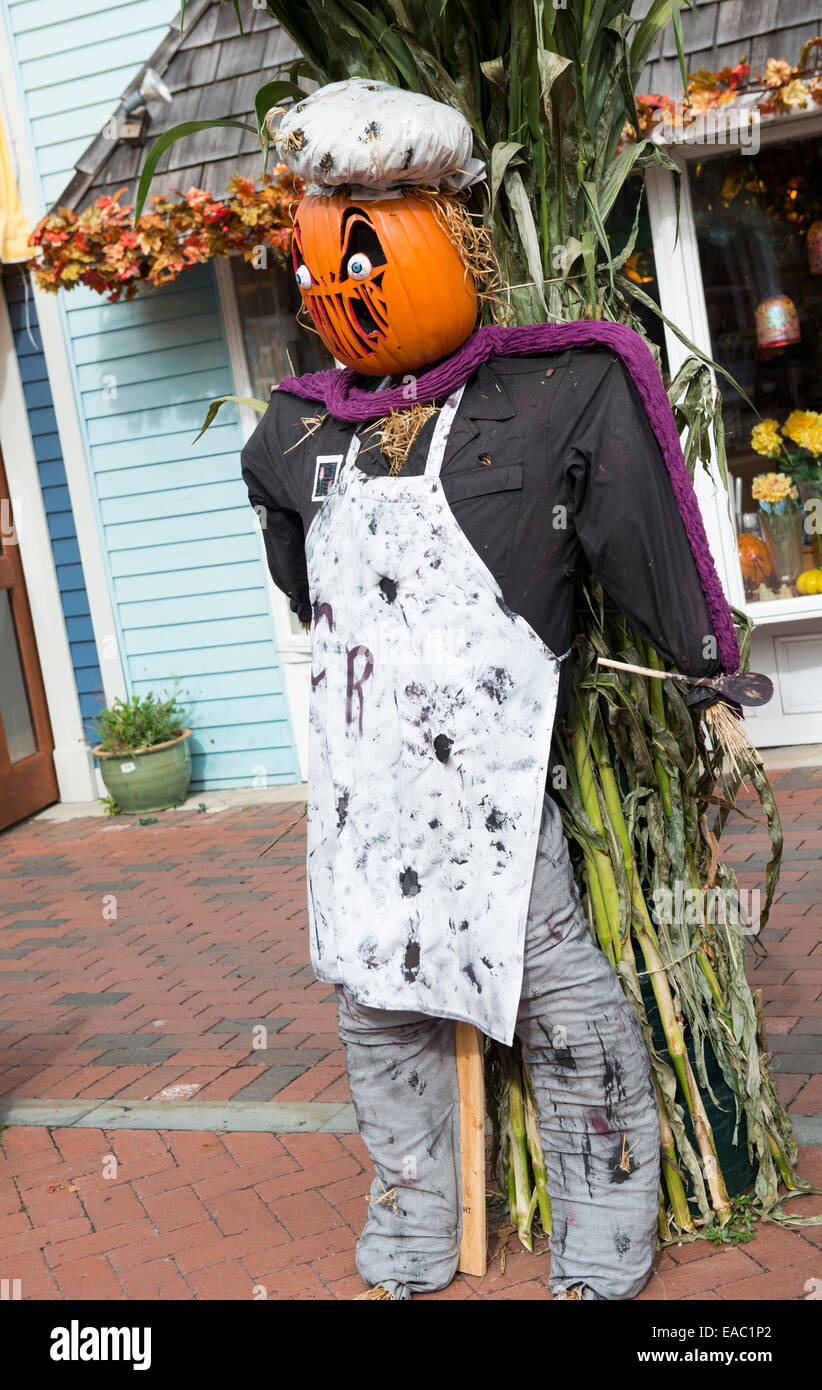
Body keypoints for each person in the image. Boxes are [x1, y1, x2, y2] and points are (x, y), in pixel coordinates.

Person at [241, 78, 740, 1300]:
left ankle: (606, 1239)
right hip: (359, 807)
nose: (339, 276)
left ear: (450, 230)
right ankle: (414, 1231)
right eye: (319, 247)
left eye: (371, 234)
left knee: (566, 1006)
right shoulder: (296, 433)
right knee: (379, 1019)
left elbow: (646, 536)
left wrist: (709, 677)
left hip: (500, 802)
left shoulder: (561, 390)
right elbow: (313, 591)